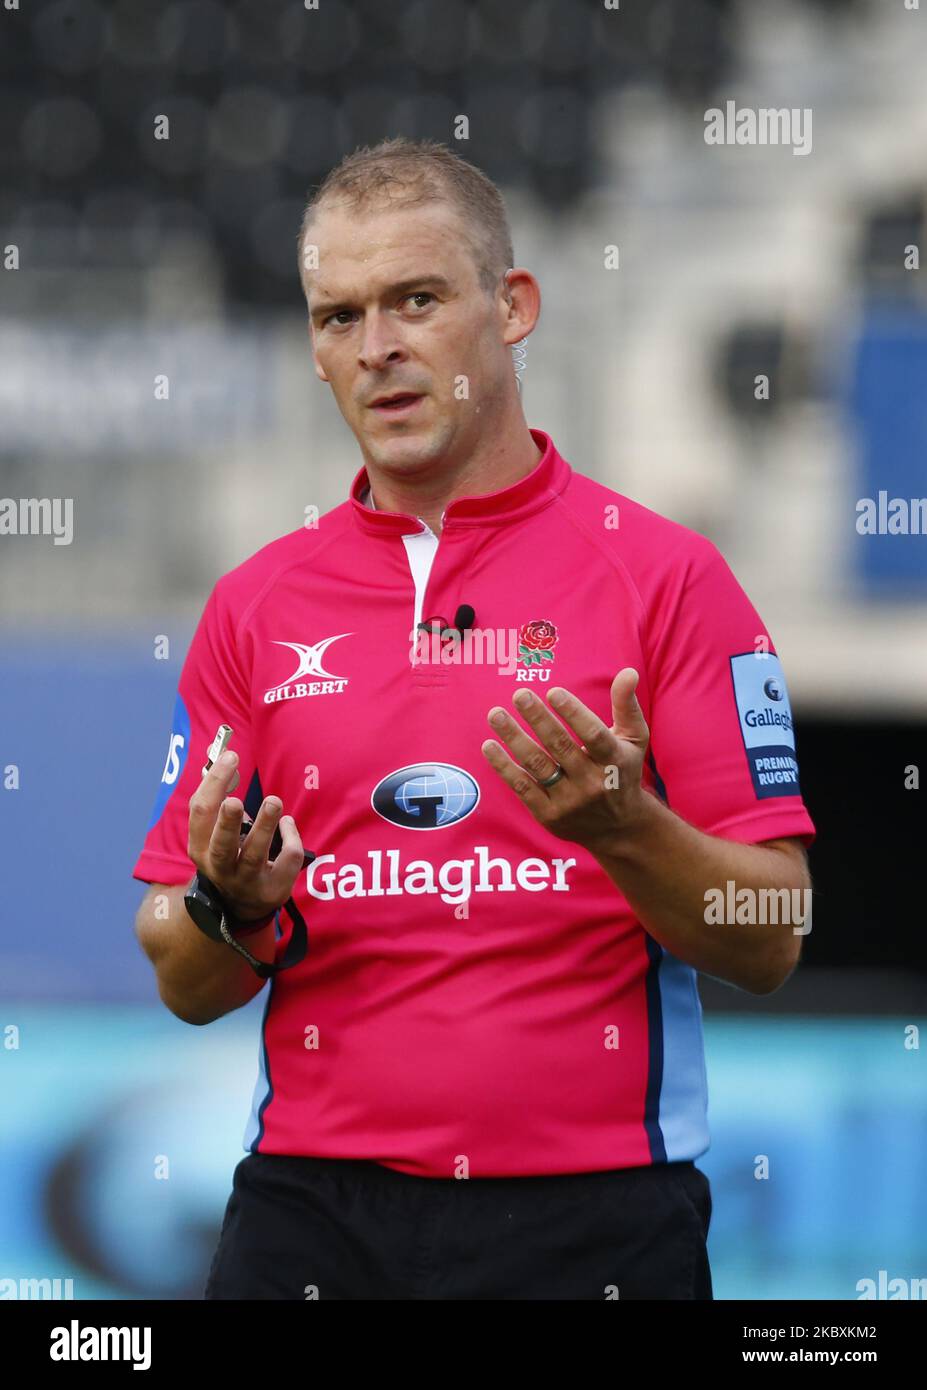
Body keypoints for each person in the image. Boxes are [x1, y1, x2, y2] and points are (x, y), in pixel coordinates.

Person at [133, 137, 815, 1300]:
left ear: (513, 308)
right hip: (312, 1216)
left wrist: (623, 828)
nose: (379, 349)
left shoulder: (670, 578)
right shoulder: (255, 605)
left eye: (417, 299)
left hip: (594, 1223)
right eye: (338, 315)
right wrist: (228, 907)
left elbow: (774, 933)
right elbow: (184, 977)